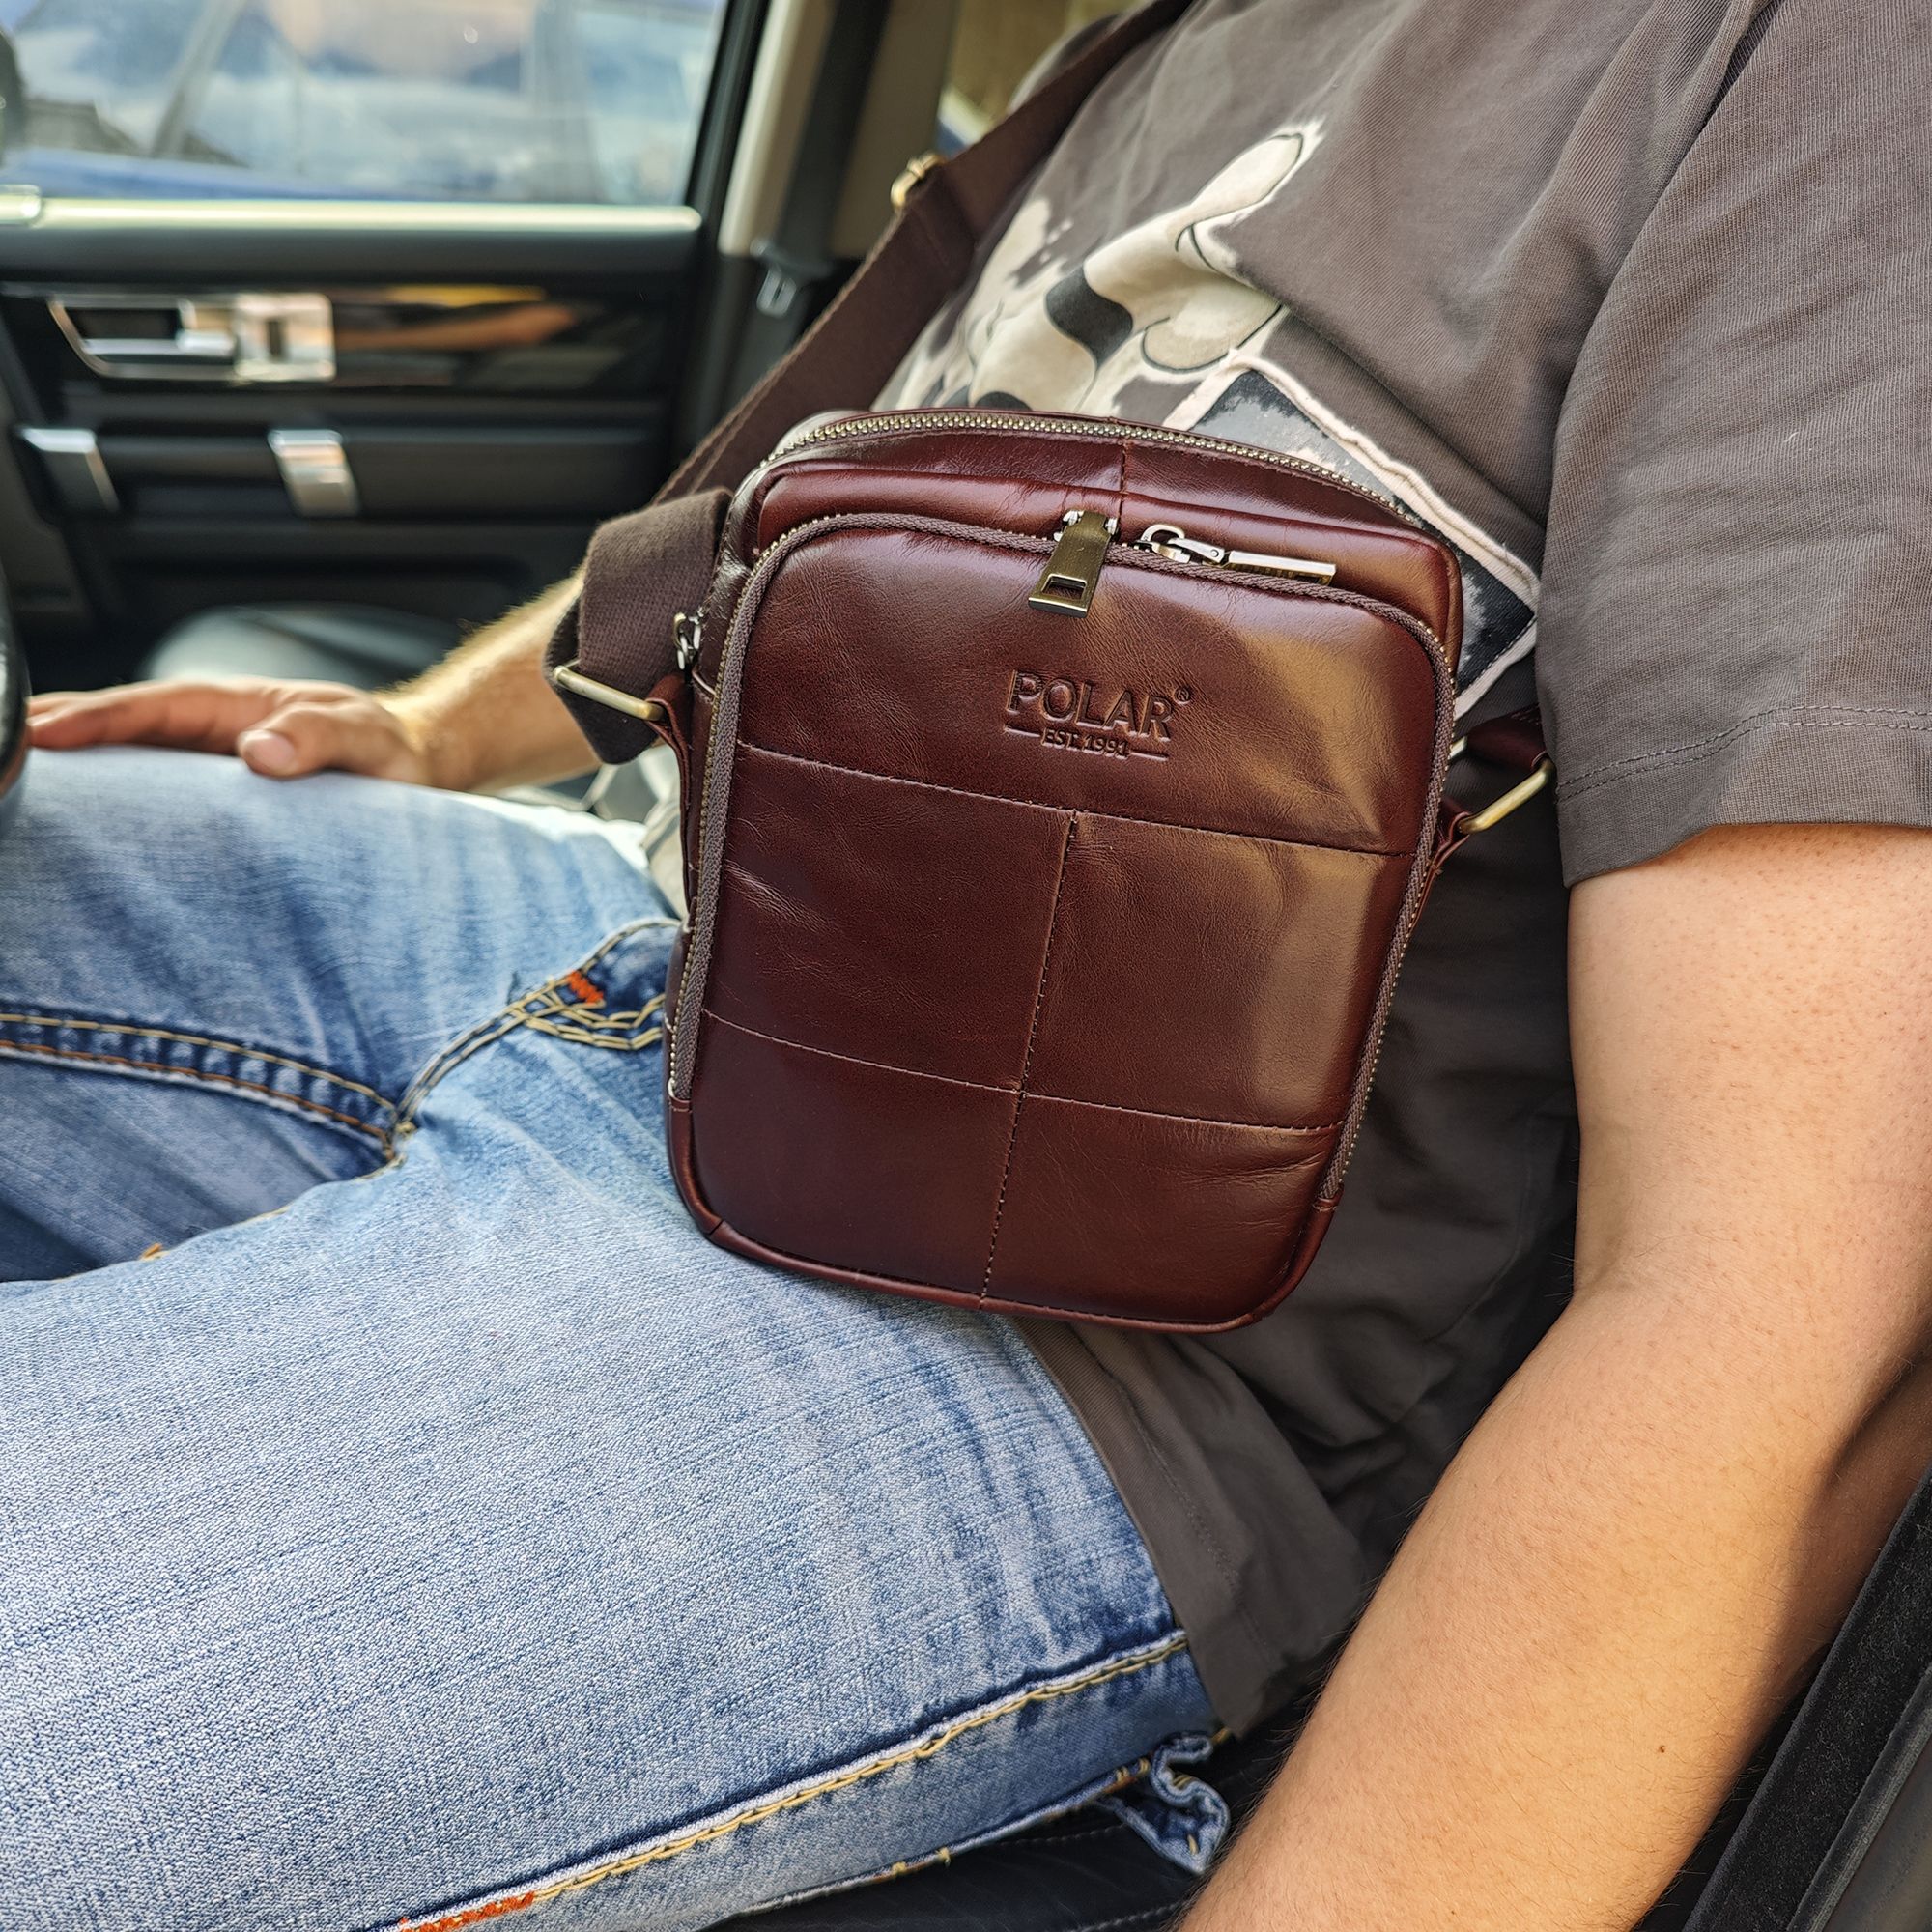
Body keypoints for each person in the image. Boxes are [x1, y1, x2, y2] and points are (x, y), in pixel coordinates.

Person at [6, 2, 1929, 1927]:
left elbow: (1774, 1304)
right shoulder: (1166, 35)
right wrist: (436, 729)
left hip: (1066, 1351)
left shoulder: (1815, 75)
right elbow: (805, 534)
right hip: (643, 922)